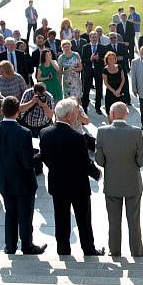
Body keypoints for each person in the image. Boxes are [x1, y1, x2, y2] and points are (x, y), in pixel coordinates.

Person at [40, 98, 104, 256]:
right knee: (83, 220)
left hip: (57, 184)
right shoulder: (77, 138)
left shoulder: (45, 133)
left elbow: (45, 158)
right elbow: (84, 163)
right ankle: (88, 249)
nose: (77, 116)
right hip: (78, 186)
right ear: (68, 116)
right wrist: (97, 173)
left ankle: (63, 250)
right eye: (75, 113)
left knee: (60, 220)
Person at [0, 96, 46, 255]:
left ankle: (10, 246)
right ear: (18, 112)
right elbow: (27, 162)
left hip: (5, 181)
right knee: (25, 215)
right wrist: (40, 155)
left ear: (2, 110)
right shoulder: (24, 132)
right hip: (24, 181)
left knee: (10, 213)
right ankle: (27, 246)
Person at [95, 102, 143, 257]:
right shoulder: (136, 132)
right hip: (132, 183)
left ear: (111, 115)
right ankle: (137, 252)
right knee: (134, 220)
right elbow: (142, 161)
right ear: (126, 114)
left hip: (112, 184)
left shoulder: (102, 131)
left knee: (113, 220)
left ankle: (115, 251)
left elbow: (100, 161)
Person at [81, 32, 106, 115]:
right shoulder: (85, 47)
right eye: (93, 37)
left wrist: (99, 58)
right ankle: (84, 108)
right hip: (88, 71)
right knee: (86, 90)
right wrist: (90, 59)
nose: (94, 39)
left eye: (96, 37)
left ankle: (98, 107)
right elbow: (83, 60)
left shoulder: (102, 47)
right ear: (90, 38)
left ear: (98, 37)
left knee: (99, 89)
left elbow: (105, 60)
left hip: (98, 71)